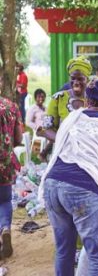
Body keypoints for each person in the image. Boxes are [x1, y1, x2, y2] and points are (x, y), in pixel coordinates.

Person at [39, 77, 98, 275]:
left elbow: (60, 147)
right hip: (81, 192)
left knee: (64, 250)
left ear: (87, 97)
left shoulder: (73, 118)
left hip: (52, 185)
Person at [37, 56, 92, 161]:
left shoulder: (94, 100)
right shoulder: (58, 99)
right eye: (73, 78)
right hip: (63, 155)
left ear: (87, 80)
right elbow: (47, 129)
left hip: (89, 155)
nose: (76, 82)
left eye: (80, 79)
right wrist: (66, 140)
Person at [0, 95, 23, 259]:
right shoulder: (11, 106)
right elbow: (19, 138)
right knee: (5, 200)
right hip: (5, 162)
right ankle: (5, 227)